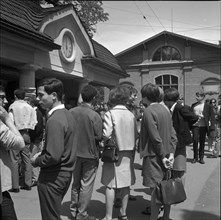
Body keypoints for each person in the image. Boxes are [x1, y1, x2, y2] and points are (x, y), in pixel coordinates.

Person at [31, 78, 77, 220]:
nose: (39, 99)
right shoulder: (67, 114)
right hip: (64, 174)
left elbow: (53, 156)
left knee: (50, 217)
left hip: (53, 177)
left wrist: (36, 160)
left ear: (54, 96)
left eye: (41, 95)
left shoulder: (55, 119)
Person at [139, 83, 177, 220]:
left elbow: (155, 138)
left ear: (145, 96)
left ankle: (153, 218)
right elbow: (173, 134)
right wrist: (171, 154)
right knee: (166, 188)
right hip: (167, 153)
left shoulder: (149, 111)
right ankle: (166, 217)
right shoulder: (165, 109)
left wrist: (162, 157)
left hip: (154, 155)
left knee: (155, 190)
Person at [101, 86, 138, 220]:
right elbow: (136, 133)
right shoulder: (131, 114)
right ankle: (123, 213)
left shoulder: (110, 113)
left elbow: (106, 134)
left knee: (110, 185)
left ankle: (108, 216)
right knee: (126, 184)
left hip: (114, 152)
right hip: (128, 152)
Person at [69, 85, 103, 220]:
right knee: (86, 184)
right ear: (94, 98)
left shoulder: (71, 111)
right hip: (89, 153)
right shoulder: (95, 115)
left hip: (74, 153)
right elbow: (99, 136)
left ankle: (73, 210)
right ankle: (82, 213)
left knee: (75, 182)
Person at [0, 85, 25, 220]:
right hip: (19, 137)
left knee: (15, 161)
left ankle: (15, 185)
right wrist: (7, 119)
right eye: (1, 97)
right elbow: (19, 143)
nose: (5, 101)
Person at [164, 88, 198, 185]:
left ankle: (180, 190)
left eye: (165, 100)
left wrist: (186, 128)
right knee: (175, 167)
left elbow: (194, 117)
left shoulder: (179, 108)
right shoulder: (173, 108)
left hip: (180, 140)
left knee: (180, 167)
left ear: (170, 100)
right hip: (175, 140)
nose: (165, 102)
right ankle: (176, 188)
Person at [8, 88, 37, 192]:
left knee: (14, 160)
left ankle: (15, 186)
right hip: (26, 133)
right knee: (27, 159)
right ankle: (28, 183)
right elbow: (34, 122)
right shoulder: (30, 107)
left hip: (16, 132)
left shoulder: (13, 106)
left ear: (15, 96)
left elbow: (10, 121)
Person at [191, 90, 215, 164]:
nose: (196, 97)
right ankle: (195, 157)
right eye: (196, 95)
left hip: (204, 126)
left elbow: (212, 117)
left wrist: (212, 127)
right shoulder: (193, 105)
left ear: (203, 97)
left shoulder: (208, 106)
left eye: (198, 96)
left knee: (202, 142)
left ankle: (201, 157)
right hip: (195, 125)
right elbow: (190, 116)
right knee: (195, 140)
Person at [28, 97, 44, 187]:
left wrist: (32, 137)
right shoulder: (38, 112)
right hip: (37, 138)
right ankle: (35, 177)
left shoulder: (36, 113)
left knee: (32, 158)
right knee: (34, 157)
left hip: (35, 139)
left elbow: (37, 128)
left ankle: (35, 178)